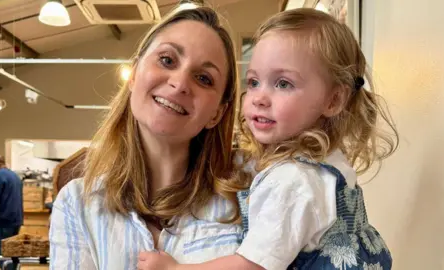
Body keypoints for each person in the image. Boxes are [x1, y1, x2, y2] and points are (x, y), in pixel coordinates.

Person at [138, 8, 399, 270]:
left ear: (333, 100)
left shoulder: (292, 180)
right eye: (253, 82)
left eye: (283, 83)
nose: (259, 98)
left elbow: (252, 266)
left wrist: (173, 269)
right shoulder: (328, 164)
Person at [49, 5, 244, 269]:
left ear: (217, 114)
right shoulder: (76, 204)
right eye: (167, 60)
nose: (180, 83)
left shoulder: (245, 199)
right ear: (134, 72)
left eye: (203, 78)